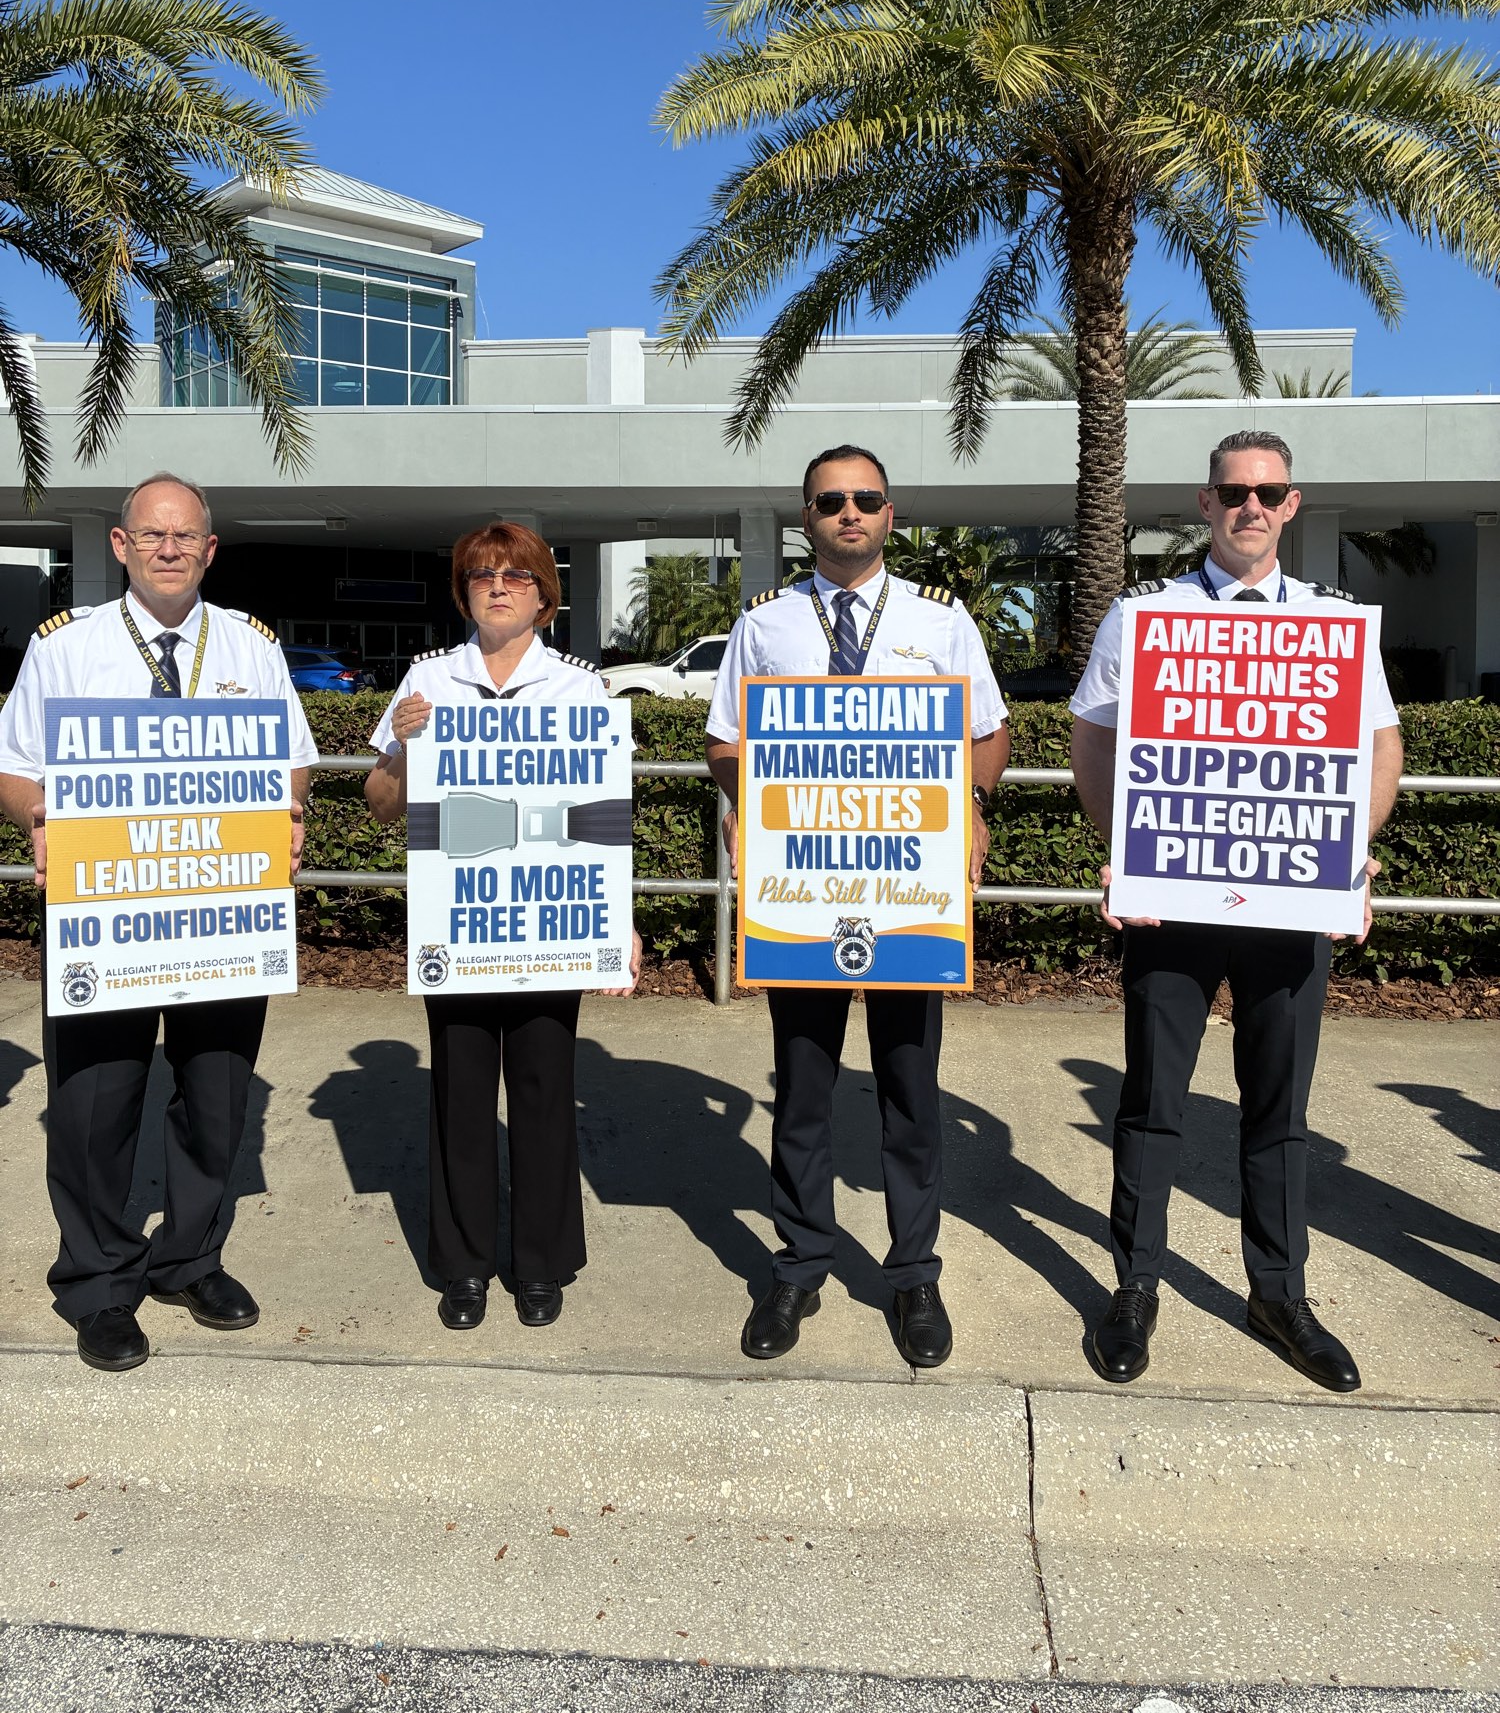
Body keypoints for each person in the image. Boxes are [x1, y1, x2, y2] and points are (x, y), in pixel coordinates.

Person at [1069, 429, 1403, 1392]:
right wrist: (1126, 849)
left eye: (1269, 490)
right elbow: (1093, 736)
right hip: (1171, 906)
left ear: (1291, 504)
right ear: (1205, 503)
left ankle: (1278, 1294)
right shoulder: (1145, 616)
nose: (1251, 505)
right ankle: (1135, 1286)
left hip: (1291, 902)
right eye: (1234, 490)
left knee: (1280, 1111)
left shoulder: (1334, 624)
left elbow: (1380, 746)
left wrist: (1348, 856)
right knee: (1152, 1103)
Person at [0, 472, 317, 1373]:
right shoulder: (66, 647)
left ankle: (189, 1259)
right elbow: (14, 766)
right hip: (109, 913)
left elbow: (292, 760)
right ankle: (98, 1282)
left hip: (222, 911)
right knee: (94, 1105)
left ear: (209, 549)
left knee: (217, 1099)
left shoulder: (251, 646)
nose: (169, 549)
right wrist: (36, 819)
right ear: (121, 545)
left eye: (185, 536)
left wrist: (289, 812)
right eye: (152, 534)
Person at [706, 445, 1009, 1368]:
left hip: (906, 892)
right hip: (803, 890)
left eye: (866, 498)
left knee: (910, 1091)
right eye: (831, 500)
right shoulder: (764, 623)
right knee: (801, 1090)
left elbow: (987, 732)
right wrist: (747, 806)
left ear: (889, 513)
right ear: (807, 517)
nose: (850, 512)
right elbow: (726, 740)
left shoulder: (940, 618)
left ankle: (913, 1272)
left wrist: (973, 805)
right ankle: (800, 1263)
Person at [365, 522, 641, 1333]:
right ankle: (465, 1264)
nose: (497, 585)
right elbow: (380, 805)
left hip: (549, 918)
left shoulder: (580, 688)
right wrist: (401, 750)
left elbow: (604, 816)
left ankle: (542, 1261)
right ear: (463, 592)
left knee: (545, 1089)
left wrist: (617, 922)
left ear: (545, 596)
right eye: (481, 573)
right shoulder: (427, 680)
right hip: (460, 920)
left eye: (516, 575)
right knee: (459, 1091)